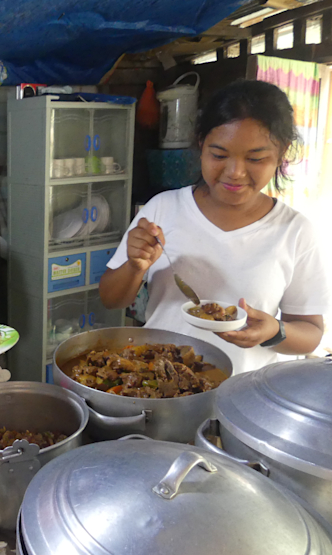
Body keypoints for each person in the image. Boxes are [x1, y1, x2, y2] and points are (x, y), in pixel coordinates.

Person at [100, 79, 330, 374]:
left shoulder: (296, 231)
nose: (235, 172)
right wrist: (135, 266)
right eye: (219, 155)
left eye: (256, 158)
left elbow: (311, 334)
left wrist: (273, 331)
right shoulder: (164, 208)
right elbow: (111, 298)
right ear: (201, 143)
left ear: (281, 152)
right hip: (157, 384)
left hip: (241, 398)